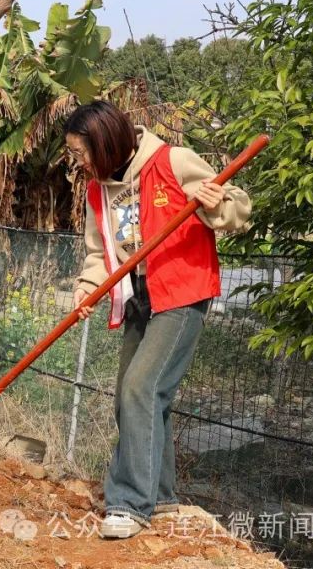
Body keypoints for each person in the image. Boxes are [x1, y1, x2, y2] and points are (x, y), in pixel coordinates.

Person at [64, 101, 251, 540]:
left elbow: (238, 210)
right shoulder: (98, 190)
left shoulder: (172, 160)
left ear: (106, 141)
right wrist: (86, 286)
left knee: (141, 387)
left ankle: (129, 502)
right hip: (138, 296)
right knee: (134, 397)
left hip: (182, 292)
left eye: (82, 152)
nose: (80, 162)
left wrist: (215, 202)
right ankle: (162, 496)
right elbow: (99, 253)